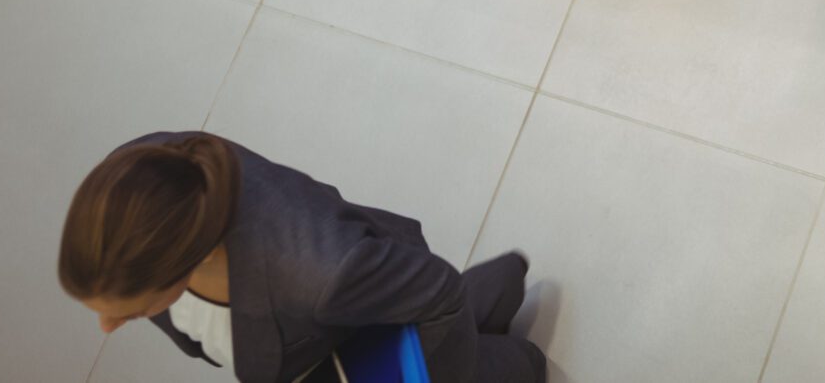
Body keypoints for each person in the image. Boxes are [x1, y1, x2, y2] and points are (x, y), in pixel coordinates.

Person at [59, 132, 544, 383]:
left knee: (482, 354)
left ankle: (515, 361)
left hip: (376, 319)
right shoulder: (140, 176)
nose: (106, 325)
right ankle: (498, 290)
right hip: (346, 315)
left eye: (132, 308)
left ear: (197, 255)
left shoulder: (322, 276)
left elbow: (439, 294)